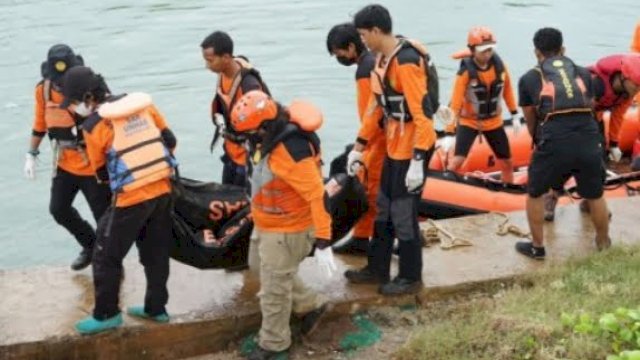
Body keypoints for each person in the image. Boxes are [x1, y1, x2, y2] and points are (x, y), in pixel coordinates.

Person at [60, 67, 178, 334]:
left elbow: (100, 173)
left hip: (132, 197)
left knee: (104, 254)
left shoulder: (93, 126)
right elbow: (170, 140)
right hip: (163, 187)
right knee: (155, 251)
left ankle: (106, 315)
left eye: (76, 102)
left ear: (89, 97)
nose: (76, 108)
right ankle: (156, 308)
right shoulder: (144, 107)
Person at [230, 90, 335, 359]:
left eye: (250, 135)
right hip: (266, 223)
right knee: (258, 266)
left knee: (273, 291)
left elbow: (317, 195)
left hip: (289, 229)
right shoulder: (266, 139)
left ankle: (274, 344)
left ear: (264, 128)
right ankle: (309, 304)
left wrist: (323, 240)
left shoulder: (291, 151)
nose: (247, 141)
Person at [343, 4, 437, 295]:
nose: (361, 41)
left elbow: (422, 115)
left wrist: (419, 160)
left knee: (402, 211)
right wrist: (359, 145)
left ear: (375, 30)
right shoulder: (379, 60)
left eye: (363, 35)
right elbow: (376, 109)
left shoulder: (406, 62)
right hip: (394, 145)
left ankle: (410, 276)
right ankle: (377, 267)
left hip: (412, 147)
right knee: (383, 206)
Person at [515, 27, 611, 260]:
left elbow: (531, 120)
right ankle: (603, 242)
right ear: (563, 49)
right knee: (596, 194)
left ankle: (538, 248)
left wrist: (541, 142)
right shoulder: (583, 73)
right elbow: (591, 105)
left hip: (555, 138)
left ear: (537, 53)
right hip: (588, 136)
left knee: (535, 193)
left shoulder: (529, 78)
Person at [24, 44, 111, 271]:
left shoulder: (91, 86)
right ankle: (90, 245)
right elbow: (40, 123)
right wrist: (31, 154)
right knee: (59, 209)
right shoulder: (43, 91)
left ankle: (109, 265)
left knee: (104, 218)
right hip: (65, 162)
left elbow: (110, 122)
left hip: (93, 165)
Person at [543, 53, 640, 220]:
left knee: (599, 162)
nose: (638, 90)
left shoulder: (626, 93)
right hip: (573, 118)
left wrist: (614, 143)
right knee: (568, 160)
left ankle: (589, 202)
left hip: (595, 119)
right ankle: (550, 200)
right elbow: (578, 109)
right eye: (637, 86)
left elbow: (618, 115)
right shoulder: (595, 84)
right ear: (624, 77)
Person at [326, 22, 384, 255]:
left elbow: (370, 113)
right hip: (385, 138)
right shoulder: (377, 60)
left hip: (377, 142)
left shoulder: (364, 71)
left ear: (351, 47)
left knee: (368, 191)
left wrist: (361, 145)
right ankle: (364, 236)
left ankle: (361, 239)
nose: (338, 58)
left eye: (338, 53)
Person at [445, 26, 520, 184]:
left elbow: (507, 90)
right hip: (469, 122)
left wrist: (514, 114)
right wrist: (449, 132)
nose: (488, 54)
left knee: (507, 162)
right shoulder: (465, 73)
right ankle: (445, 183)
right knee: (457, 160)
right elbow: (456, 102)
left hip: (493, 122)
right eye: (484, 50)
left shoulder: (500, 67)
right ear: (472, 50)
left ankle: (509, 188)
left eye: (490, 49)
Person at [201, 31, 269, 187]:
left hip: (247, 158)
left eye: (210, 61)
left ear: (226, 58)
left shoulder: (249, 85)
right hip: (231, 152)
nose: (207, 66)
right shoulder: (223, 74)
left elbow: (263, 125)